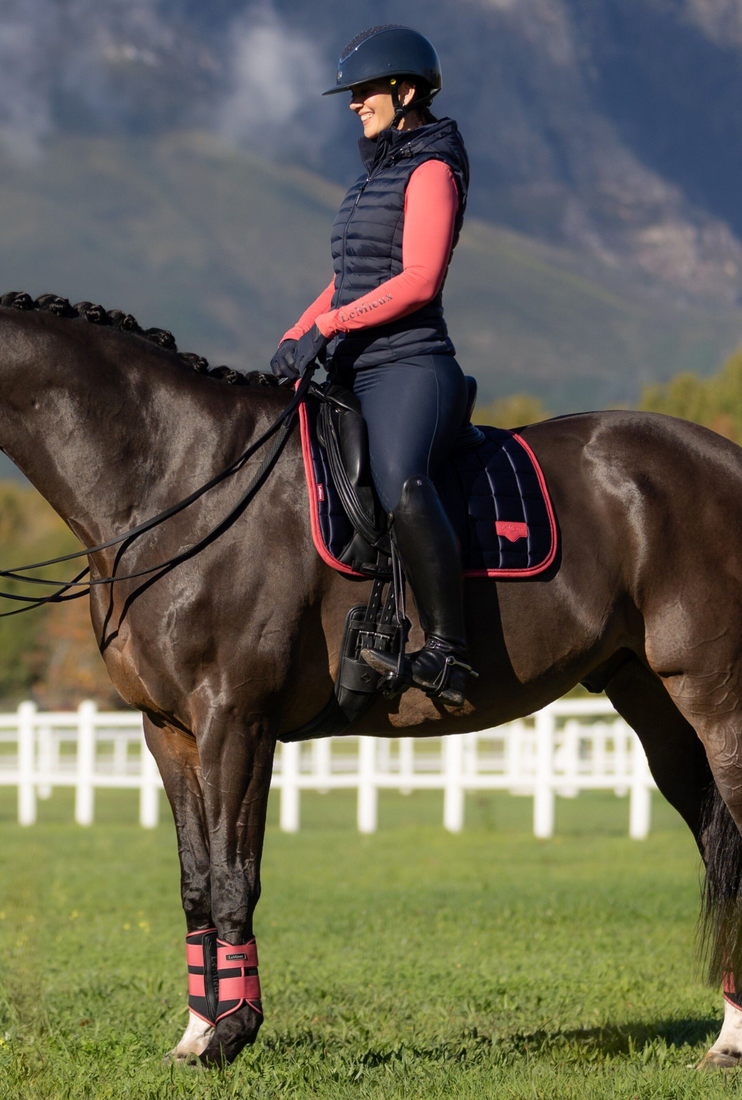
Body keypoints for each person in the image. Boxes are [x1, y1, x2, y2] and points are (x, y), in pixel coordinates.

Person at [271, 25, 476, 706]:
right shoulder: (374, 179)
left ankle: (449, 649)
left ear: (405, 92)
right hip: (354, 364)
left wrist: (329, 326)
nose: (355, 104)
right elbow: (350, 279)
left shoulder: (432, 170)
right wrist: (300, 329)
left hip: (411, 366)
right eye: (353, 94)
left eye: (365, 92)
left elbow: (418, 281)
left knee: (401, 482)